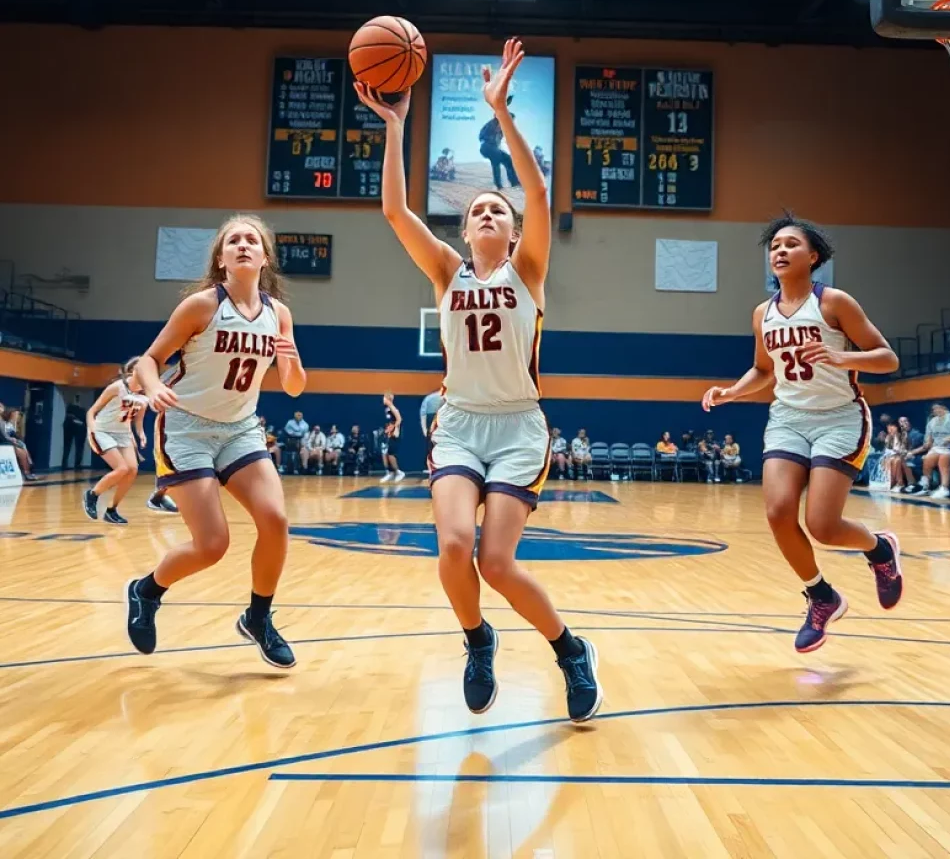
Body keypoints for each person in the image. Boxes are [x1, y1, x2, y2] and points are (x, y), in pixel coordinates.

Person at [356, 38, 601, 723]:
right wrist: (397, 125)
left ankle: (569, 649)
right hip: (460, 422)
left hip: (520, 426)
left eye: (499, 210)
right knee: (455, 547)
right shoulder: (445, 272)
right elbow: (396, 214)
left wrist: (503, 113)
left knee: (496, 563)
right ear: (464, 233)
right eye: (478, 212)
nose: (489, 214)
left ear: (514, 230)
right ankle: (477, 639)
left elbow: (539, 189)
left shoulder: (529, 271)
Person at [702, 211, 903, 653]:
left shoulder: (834, 302)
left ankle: (880, 550)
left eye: (791, 244)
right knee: (777, 512)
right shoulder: (763, 314)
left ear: (813, 257)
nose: (780, 250)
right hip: (789, 418)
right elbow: (762, 369)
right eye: (774, 245)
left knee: (823, 527)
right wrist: (732, 392)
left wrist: (843, 359)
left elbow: (888, 359)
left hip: (839, 417)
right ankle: (821, 596)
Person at [125, 214, 306, 668]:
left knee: (276, 520)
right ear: (221, 258)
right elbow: (148, 360)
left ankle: (258, 619)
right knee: (212, 545)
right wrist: (152, 387)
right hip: (187, 427)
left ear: (264, 258)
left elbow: (294, 387)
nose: (243, 245)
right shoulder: (202, 306)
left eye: (252, 240)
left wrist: (292, 360)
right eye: (233, 241)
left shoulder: (278, 314)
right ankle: (146, 591)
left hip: (241, 429)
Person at [83, 356, 149, 524]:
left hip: (123, 434)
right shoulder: (117, 387)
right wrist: (92, 429)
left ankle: (111, 510)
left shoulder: (144, 397)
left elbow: (138, 420)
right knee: (121, 469)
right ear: (133, 371)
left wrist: (140, 434)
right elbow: (92, 410)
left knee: (132, 470)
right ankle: (92, 495)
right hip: (103, 431)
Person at [915, 402, 950, 499]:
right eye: (934, 409)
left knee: (944, 457)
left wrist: (949, 438)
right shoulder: (932, 422)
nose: (935, 411)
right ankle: (926, 486)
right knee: (928, 458)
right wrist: (928, 444)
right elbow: (929, 439)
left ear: (944, 408)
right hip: (938, 448)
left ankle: (944, 488)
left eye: (938, 408)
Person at [380, 392, 405, 483]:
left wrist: (394, 430)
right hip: (388, 434)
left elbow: (399, 419)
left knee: (391, 454)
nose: (383, 400)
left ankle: (398, 472)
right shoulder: (386, 409)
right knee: (384, 454)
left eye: (384, 398)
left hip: (394, 434)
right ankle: (389, 473)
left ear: (388, 399)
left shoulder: (392, 408)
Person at [62, 394, 87, 470]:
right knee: (73, 447)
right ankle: (72, 464)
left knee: (71, 447)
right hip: (76, 428)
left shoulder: (72, 409)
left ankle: (71, 464)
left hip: (74, 428)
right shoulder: (80, 410)